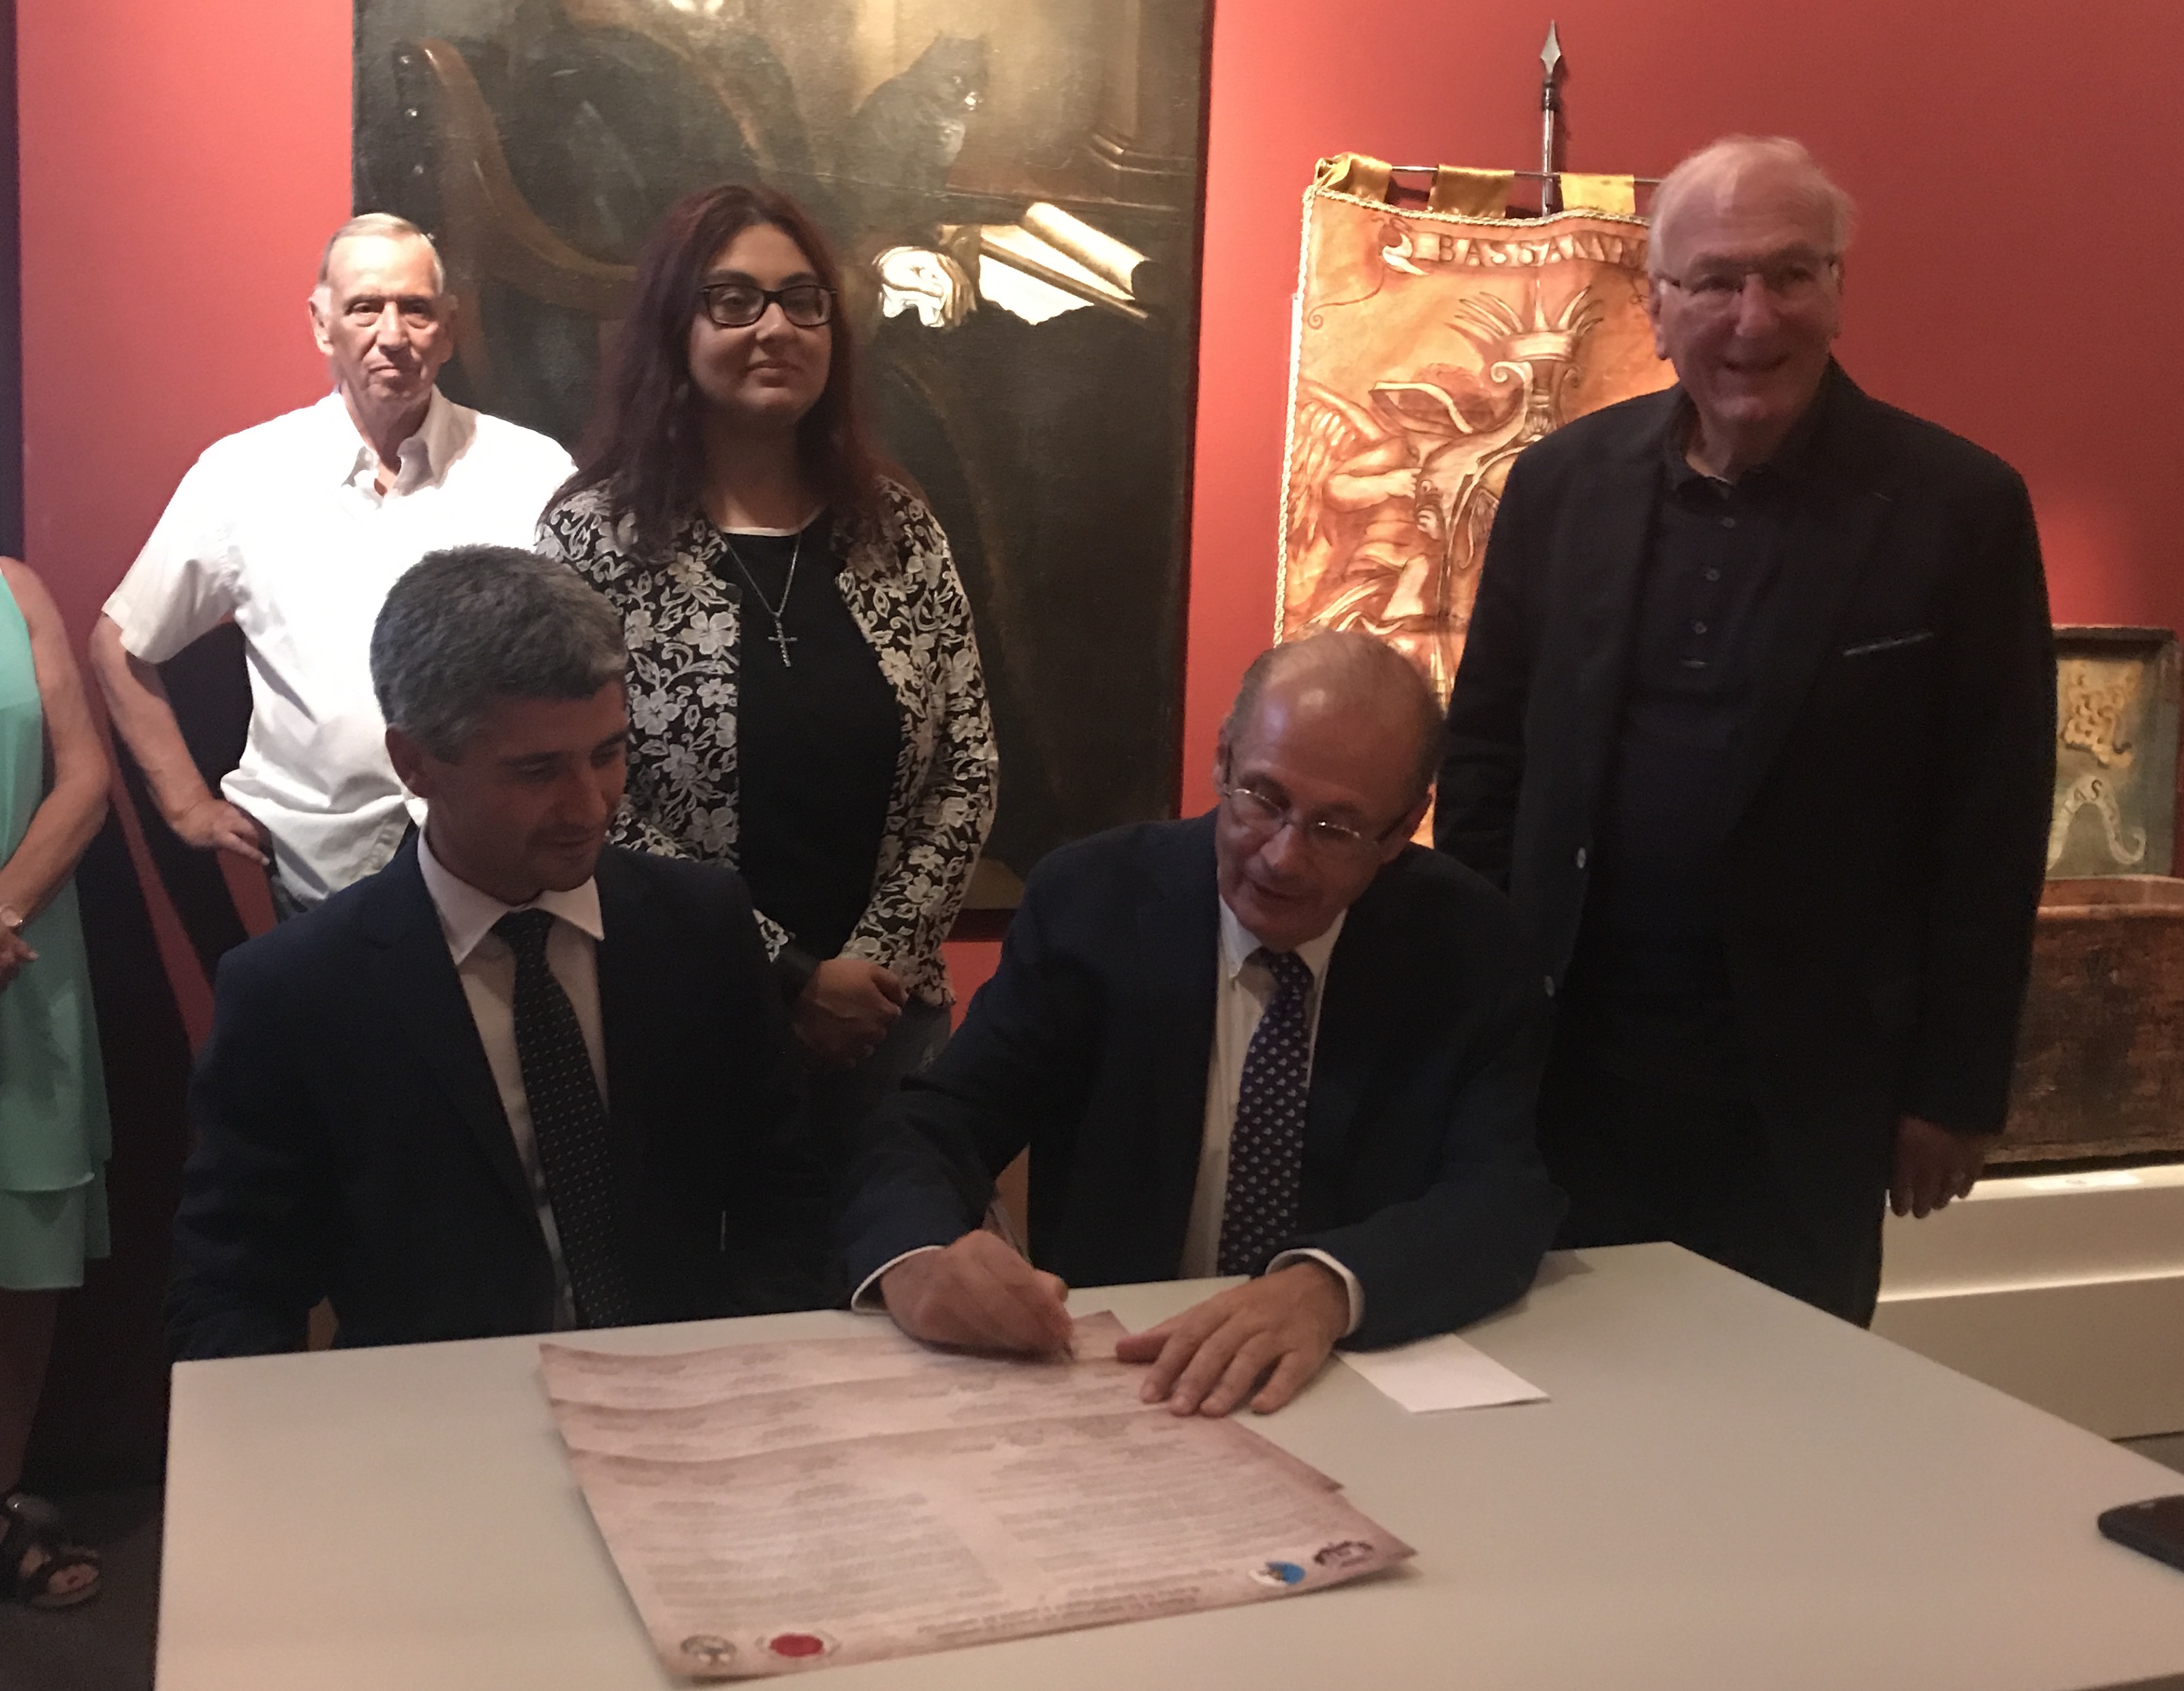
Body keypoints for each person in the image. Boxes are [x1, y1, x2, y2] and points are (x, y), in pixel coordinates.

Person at [1435, 136, 2056, 1324]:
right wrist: (1472, 1018)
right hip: (1571, 1068)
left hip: (1808, 1090)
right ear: (1657, 306)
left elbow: (1992, 823)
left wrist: (1954, 1088)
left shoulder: (1959, 508)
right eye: (1714, 280)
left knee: (1786, 1398)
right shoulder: (1558, 486)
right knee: (1558, 1377)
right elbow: (1484, 767)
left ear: (1837, 290)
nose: (1752, 317)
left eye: (1788, 274)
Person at [839, 630, 1565, 1417]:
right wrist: (917, 1258)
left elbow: (1504, 1195)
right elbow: (937, 1122)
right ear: (1223, 760)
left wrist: (1329, 1286)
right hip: (1126, 1381)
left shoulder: (1469, 943)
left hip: (1351, 1385)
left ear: (1400, 830)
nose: (1282, 857)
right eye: (1264, 799)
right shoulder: (1092, 903)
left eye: (1335, 828)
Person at [168, 546, 829, 1359]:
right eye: (537, 771)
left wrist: (745, 1366)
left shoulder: (700, 926)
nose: (589, 807)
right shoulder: (299, 989)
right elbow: (232, 1285)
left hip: (689, 1389)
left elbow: (784, 1191)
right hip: (435, 1414)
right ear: (415, 763)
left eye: (607, 754)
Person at [539, 183, 996, 1140]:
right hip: (685, 1014)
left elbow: (967, 766)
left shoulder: (897, 528)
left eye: (802, 300)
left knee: (896, 1233)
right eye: (735, 300)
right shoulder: (592, 540)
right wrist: (790, 974)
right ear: (676, 326)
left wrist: (872, 969)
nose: (776, 326)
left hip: (888, 1026)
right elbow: (590, 796)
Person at [90, 214, 574, 919]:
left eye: (415, 309)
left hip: (498, 859)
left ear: (448, 327)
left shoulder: (532, 471)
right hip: (321, 876)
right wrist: (187, 803)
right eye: (365, 307)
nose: (392, 334)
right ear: (323, 326)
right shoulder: (243, 476)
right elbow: (121, 644)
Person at [0, 559, 112, 1608]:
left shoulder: (18, 593)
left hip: (20, 965)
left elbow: (83, 776)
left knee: (22, 1246)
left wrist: (3, 907)